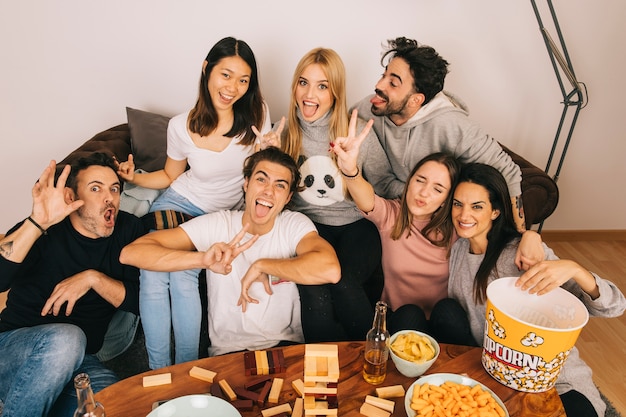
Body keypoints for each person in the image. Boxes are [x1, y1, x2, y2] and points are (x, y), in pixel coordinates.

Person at [116, 37, 276, 369]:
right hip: (177, 203)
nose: (233, 87)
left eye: (243, 80)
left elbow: (267, 178)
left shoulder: (258, 114)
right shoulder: (180, 126)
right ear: (207, 70)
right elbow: (170, 176)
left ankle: (187, 372)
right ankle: (158, 371)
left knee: (186, 272)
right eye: (226, 75)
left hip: (219, 216)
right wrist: (132, 179)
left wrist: (272, 151)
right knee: (154, 271)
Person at [331, 111, 543, 338]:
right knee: (409, 314)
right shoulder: (392, 216)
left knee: (448, 310)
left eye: (438, 189)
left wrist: (531, 236)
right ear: (409, 181)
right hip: (400, 320)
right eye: (420, 181)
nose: (423, 192)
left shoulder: (459, 227)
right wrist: (349, 169)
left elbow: (495, 229)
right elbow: (366, 197)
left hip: (444, 323)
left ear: (448, 199)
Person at [120, 147, 341, 356]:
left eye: (280, 185)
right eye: (261, 179)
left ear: (288, 197)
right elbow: (131, 253)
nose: (268, 191)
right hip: (228, 354)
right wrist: (202, 259)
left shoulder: (293, 224)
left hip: (285, 349)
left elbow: (330, 269)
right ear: (246, 184)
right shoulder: (218, 224)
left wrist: (264, 266)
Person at [445, 162, 626, 417]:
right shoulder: (458, 251)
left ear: (495, 211)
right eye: (458, 204)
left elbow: (615, 306)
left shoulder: (521, 253)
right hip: (499, 377)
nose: (464, 215)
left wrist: (575, 269)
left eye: (477, 206)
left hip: (556, 381)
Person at [0, 153, 145, 417]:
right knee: (68, 338)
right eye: (95, 188)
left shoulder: (129, 230)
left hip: (79, 363)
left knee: (110, 406)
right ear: (71, 197)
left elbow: (142, 302)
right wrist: (37, 223)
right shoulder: (45, 229)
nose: (109, 197)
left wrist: (93, 278)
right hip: (11, 350)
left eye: (114, 189)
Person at [280, 48, 402, 342]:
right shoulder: (284, 132)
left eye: (322, 86)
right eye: (303, 82)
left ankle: (374, 355)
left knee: (344, 282)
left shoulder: (354, 131)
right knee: (314, 287)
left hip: (356, 226)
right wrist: (265, 155)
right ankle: (325, 373)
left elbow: (386, 185)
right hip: (309, 229)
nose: (310, 94)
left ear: (335, 92)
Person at [351, 36, 527, 231]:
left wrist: (520, 235)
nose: (379, 85)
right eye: (384, 75)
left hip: (440, 214)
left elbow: (508, 172)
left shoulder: (452, 125)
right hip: (393, 207)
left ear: (415, 100)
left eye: (393, 83)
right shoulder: (368, 108)